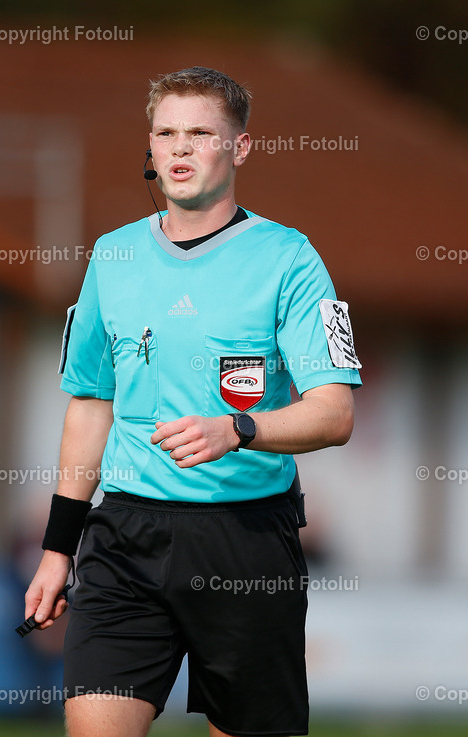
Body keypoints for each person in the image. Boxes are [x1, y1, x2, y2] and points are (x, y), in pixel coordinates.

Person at [24, 66, 362, 737]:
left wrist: (237, 428)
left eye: (200, 133)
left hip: (245, 543)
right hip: (124, 537)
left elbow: (335, 411)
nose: (179, 149)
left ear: (239, 148)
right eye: (166, 133)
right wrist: (58, 549)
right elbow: (90, 404)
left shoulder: (289, 258)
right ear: (149, 149)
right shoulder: (112, 257)